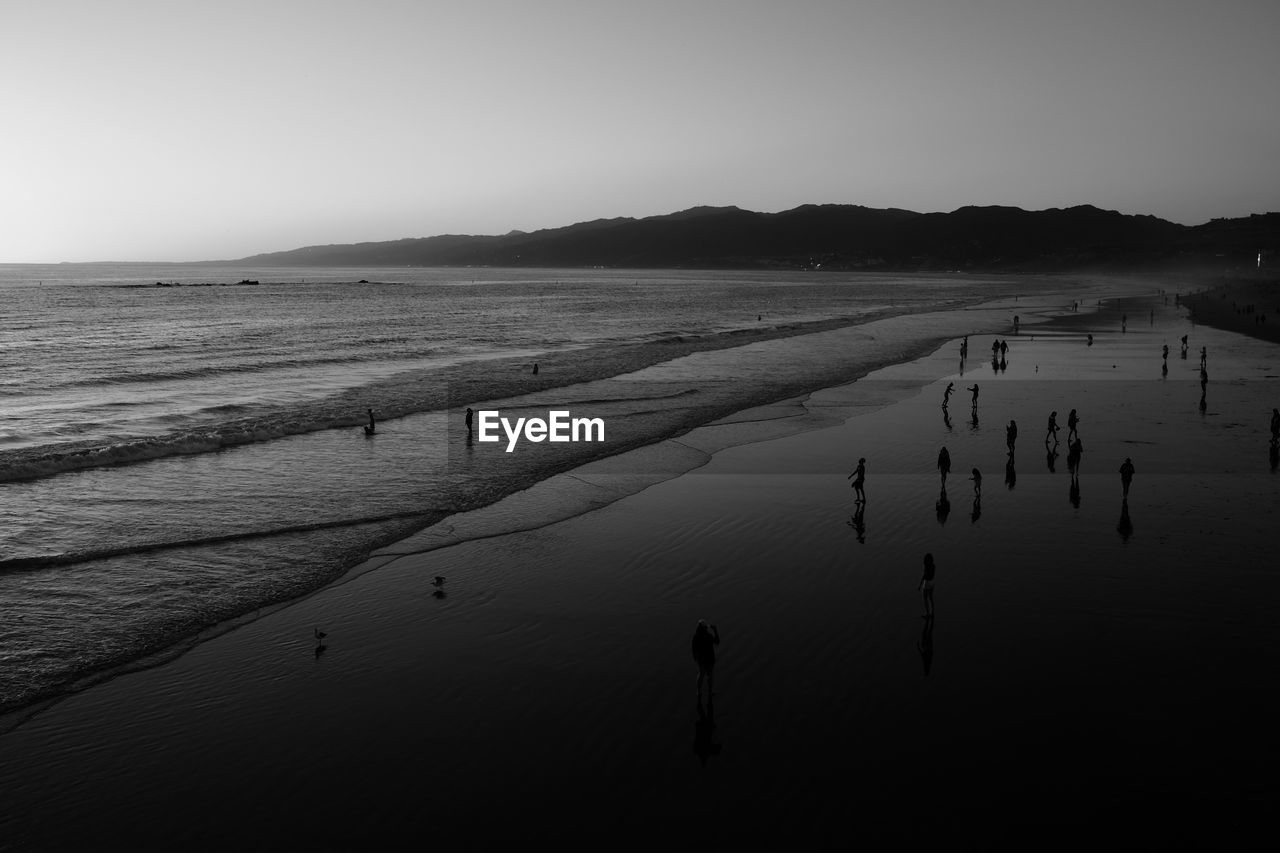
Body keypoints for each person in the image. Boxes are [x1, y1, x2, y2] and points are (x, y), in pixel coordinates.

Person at [691, 620, 720, 699]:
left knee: (704, 675)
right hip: (706, 659)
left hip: (705, 659)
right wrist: (715, 631)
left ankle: (700, 692)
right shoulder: (706, 636)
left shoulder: (697, 636)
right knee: (707, 675)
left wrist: (696, 658)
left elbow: (693, 649)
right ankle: (707, 692)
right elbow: (717, 642)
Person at [917, 553, 936, 618]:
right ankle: (932, 612)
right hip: (932, 582)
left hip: (927, 583)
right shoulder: (933, 566)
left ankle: (927, 613)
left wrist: (920, 585)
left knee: (925, 598)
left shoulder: (926, 566)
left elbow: (924, 576)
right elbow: (932, 575)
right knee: (931, 598)